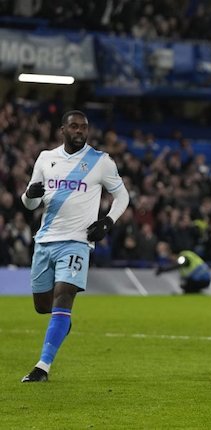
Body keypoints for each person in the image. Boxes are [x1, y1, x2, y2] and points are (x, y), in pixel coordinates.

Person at [20, 110, 130, 382]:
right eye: (74, 126)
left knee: (63, 297)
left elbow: (122, 195)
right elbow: (30, 201)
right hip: (45, 240)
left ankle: (42, 367)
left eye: (83, 127)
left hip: (78, 241)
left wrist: (108, 221)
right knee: (43, 306)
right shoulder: (46, 159)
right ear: (63, 130)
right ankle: (61, 323)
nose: (79, 131)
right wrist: (28, 196)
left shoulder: (100, 161)